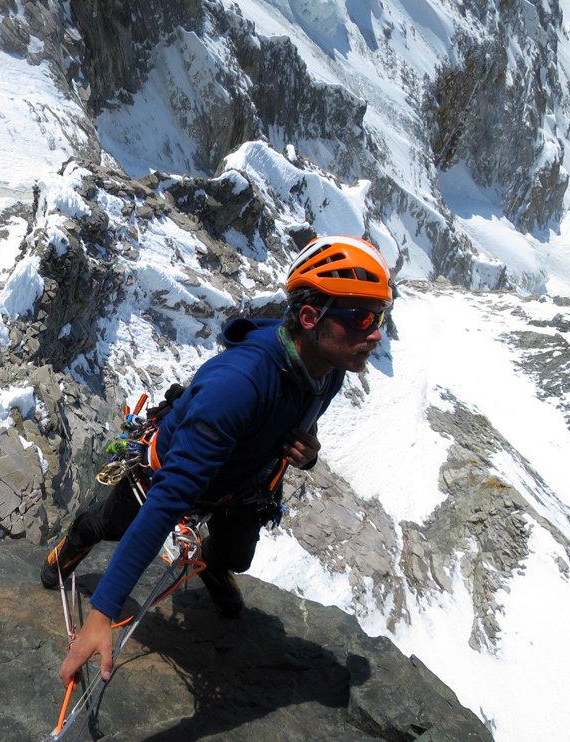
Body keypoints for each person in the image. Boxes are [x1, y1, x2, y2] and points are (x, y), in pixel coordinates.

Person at [40, 235, 394, 687]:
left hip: (243, 483)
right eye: (362, 317)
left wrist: (309, 453)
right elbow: (170, 497)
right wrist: (102, 611)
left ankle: (213, 560)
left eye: (379, 315)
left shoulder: (330, 369)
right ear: (310, 317)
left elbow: (299, 422)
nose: (376, 333)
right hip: (168, 471)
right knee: (110, 525)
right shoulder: (238, 384)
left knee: (236, 557)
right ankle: (73, 542)